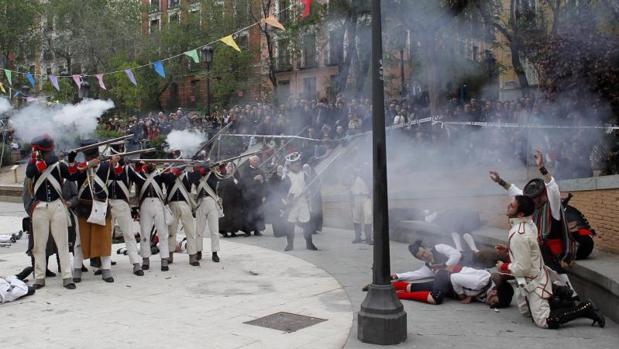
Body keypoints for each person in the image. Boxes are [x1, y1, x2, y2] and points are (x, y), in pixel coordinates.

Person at [497, 195, 604, 329]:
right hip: (531, 277)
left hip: (533, 279)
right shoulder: (527, 224)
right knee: (526, 312)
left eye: (512, 205)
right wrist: (510, 250)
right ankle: (561, 298)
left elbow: (523, 267)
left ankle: (585, 308)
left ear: (520, 214)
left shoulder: (519, 234)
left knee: (544, 321)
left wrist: (504, 266)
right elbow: (529, 251)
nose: (508, 206)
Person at [490, 149, 577, 294]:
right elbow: (517, 193)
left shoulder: (552, 205)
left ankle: (571, 294)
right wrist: (500, 181)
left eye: (536, 197)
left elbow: (553, 189)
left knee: (547, 266)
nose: (532, 200)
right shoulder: (532, 204)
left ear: (543, 195)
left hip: (553, 251)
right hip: (537, 249)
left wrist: (542, 168)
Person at [25, 135, 77, 290]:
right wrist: (51, 159)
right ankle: (40, 278)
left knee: (62, 243)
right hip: (40, 207)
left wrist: (72, 161)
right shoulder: (34, 163)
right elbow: (30, 172)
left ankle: (67, 276)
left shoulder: (59, 164)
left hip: (57, 206)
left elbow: (73, 175)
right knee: (39, 246)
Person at [70, 140, 120, 283]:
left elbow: (116, 176)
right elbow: (71, 174)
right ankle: (77, 268)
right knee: (79, 241)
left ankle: (106, 269)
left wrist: (115, 162)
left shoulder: (106, 166)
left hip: (102, 207)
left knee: (104, 239)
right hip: (84, 208)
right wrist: (72, 160)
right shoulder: (81, 168)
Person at [107, 147, 143, 276]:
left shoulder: (127, 169)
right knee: (107, 235)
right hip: (108, 204)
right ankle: (105, 264)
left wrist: (139, 168)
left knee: (128, 234)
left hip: (122, 204)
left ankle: (135, 263)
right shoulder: (106, 167)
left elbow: (141, 181)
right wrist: (111, 163)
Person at [132, 160, 172, 271]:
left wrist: (170, 170)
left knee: (163, 233)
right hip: (145, 205)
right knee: (145, 233)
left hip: (158, 204)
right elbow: (134, 178)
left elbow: (170, 180)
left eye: (152, 163)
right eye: (147, 163)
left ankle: (164, 259)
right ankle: (145, 259)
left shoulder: (160, 173)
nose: (150, 165)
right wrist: (138, 167)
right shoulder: (140, 174)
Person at [283, 152, 317, 251]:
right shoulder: (286, 177)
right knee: (290, 224)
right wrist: (289, 201)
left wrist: (308, 193)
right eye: (294, 163)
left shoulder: (305, 175)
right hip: (292, 203)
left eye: (298, 162)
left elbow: (310, 187)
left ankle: (309, 244)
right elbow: (283, 192)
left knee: (307, 223)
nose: (297, 164)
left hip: (303, 202)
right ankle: (290, 245)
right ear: (290, 165)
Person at [164, 166, 199, 266]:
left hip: (185, 204)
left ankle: (192, 255)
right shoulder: (168, 175)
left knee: (190, 231)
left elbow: (198, 174)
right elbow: (165, 179)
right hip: (172, 204)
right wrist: (173, 172)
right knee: (171, 232)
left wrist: (199, 164)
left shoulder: (188, 175)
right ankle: (169, 254)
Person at [193, 161, 222, 263]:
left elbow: (221, 175)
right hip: (200, 203)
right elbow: (192, 181)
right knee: (199, 230)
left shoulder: (213, 174)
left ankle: (215, 252)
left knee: (214, 230)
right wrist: (199, 172)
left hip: (211, 201)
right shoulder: (196, 175)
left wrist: (219, 166)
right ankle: (198, 251)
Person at [240, 155, 266, 236]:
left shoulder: (260, 170)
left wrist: (262, 181)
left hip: (258, 196)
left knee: (257, 213)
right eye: (254, 160)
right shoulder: (246, 170)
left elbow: (265, 183)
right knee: (248, 213)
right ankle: (247, 231)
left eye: (257, 160)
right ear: (250, 161)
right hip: (248, 196)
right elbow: (244, 183)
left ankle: (257, 230)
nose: (256, 162)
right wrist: (254, 179)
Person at [350, 164, 373, 244]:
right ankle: (357, 237)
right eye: (363, 168)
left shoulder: (369, 177)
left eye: (366, 168)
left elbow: (372, 186)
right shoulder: (354, 175)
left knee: (369, 215)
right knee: (356, 217)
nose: (364, 170)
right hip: (356, 197)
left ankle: (368, 238)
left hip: (366, 197)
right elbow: (347, 184)